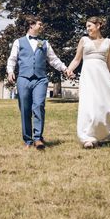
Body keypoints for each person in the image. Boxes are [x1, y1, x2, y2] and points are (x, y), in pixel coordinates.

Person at [7, 16, 74, 150]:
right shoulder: (18, 42)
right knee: (25, 109)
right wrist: (10, 71)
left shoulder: (45, 43)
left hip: (40, 79)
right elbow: (12, 58)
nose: (42, 26)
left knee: (38, 106)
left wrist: (65, 69)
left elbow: (54, 60)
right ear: (31, 25)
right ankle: (28, 139)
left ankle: (38, 138)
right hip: (23, 78)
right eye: (39, 24)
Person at [66, 16, 110, 148]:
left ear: (98, 25)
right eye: (86, 26)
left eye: (89, 26)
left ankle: (108, 134)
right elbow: (77, 59)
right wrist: (69, 69)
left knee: (102, 106)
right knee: (89, 106)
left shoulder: (108, 42)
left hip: (103, 78)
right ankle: (88, 138)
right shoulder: (84, 40)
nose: (87, 29)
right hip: (88, 78)